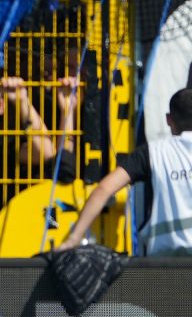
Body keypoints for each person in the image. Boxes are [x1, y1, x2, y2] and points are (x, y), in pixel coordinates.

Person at [0, 75, 79, 256]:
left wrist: (22, 101)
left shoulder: (7, 143)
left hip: (0, 243)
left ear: (1, 106)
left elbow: (47, 152)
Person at [59, 88, 192, 255]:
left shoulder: (153, 153)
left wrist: (73, 239)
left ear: (168, 119)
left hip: (167, 264)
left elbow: (103, 189)